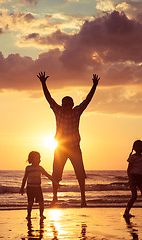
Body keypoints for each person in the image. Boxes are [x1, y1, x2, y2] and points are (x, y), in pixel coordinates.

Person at [37, 71, 100, 207]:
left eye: (68, 104)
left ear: (72, 104)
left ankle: (83, 199)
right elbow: (49, 98)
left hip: (74, 148)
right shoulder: (57, 111)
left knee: (80, 174)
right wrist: (43, 83)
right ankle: (55, 198)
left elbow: (87, 100)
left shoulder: (77, 111)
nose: (66, 106)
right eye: (64, 104)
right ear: (62, 105)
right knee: (56, 174)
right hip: (60, 147)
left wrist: (94, 86)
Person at [20, 151, 58, 220]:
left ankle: (41, 215)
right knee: (30, 202)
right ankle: (28, 215)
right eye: (37, 158)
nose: (39, 160)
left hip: (38, 188)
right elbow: (24, 178)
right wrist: (22, 188)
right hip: (30, 188)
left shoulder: (40, 168)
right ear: (31, 159)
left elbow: (47, 175)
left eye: (39, 158)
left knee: (41, 202)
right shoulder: (28, 168)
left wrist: (54, 181)